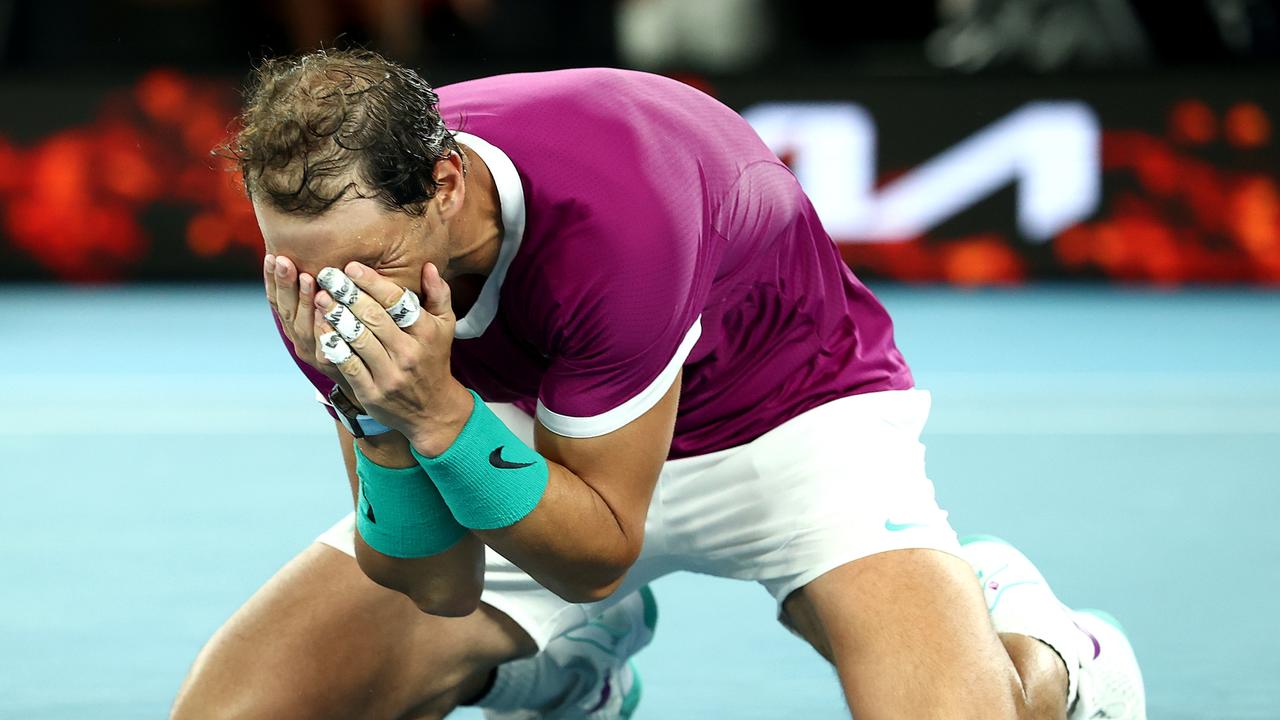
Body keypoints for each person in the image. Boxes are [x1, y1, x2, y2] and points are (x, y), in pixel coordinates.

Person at [172, 49, 1145, 719]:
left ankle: (1050, 649)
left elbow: (591, 556)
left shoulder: (616, 209)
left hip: (783, 422)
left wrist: (432, 414)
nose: (337, 297)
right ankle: (557, 674)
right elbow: (436, 582)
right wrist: (380, 417)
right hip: (510, 434)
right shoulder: (322, 266)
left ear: (445, 186)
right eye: (303, 268)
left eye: (366, 264)